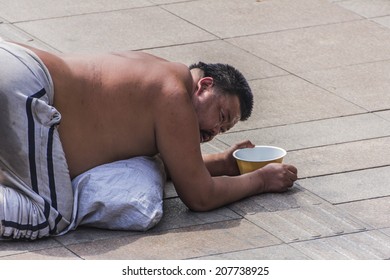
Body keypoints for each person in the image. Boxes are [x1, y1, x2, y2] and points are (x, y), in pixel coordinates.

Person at [0, 39, 298, 240]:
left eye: (224, 130)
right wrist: (262, 180)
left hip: (13, 61)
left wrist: (222, 163)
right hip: (27, 85)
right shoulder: (174, 94)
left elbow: (174, 165)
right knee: (50, 214)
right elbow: (200, 196)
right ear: (204, 85)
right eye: (221, 116)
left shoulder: (158, 76)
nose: (214, 132)